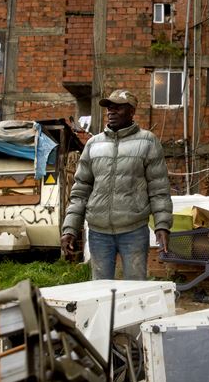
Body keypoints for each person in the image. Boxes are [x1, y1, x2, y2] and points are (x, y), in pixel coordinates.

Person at [61, 89, 173, 280]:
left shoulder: (147, 142)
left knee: (135, 290)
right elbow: (80, 190)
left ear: (131, 111)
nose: (111, 111)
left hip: (134, 230)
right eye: (109, 108)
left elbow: (159, 188)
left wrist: (162, 225)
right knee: (100, 292)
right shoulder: (93, 144)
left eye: (117, 108)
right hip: (98, 232)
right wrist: (70, 227)